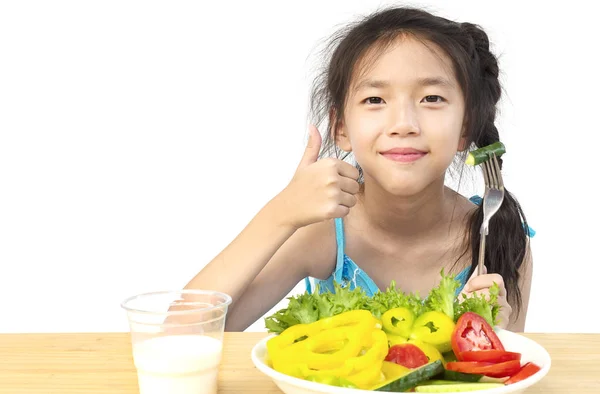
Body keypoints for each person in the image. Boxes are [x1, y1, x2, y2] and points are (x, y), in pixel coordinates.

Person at [185, 6, 534, 332]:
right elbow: (183, 333)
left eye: (431, 98)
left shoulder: (499, 235)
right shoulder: (322, 233)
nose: (403, 124)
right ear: (341, 129)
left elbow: (514, 375)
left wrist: (498, 337)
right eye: (375, 100)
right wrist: (281, 212)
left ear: (465, 127)